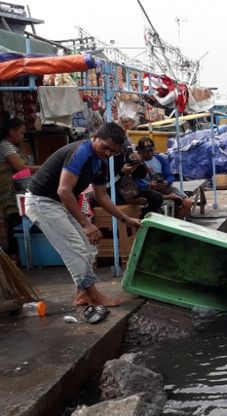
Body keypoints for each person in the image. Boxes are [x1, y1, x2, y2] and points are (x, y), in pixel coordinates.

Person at [25, 123, 141, 307]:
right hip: (42, 202)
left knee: (88, 245)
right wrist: (86, 224)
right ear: (95, 137)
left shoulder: (100, 162)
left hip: (58, 204)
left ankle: (82, 294)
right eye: (105, 147)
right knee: (76, 246)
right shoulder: (81, 152)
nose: (108, 153)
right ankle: (93, 294)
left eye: (113, 152)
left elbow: (102, 196)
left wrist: (126, 220)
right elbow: (64, 191)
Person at [0, 117, 40, 258]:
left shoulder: (13, 147)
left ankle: (17, 253)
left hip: (15, 188)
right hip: (9, 189)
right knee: (14, 219)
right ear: (11, 131)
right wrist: (43, 168)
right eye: (21, 133)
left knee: (17, 218)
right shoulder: (5, 145)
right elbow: (19, 167)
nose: (22, 136)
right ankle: (15, 254)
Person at [136, 137, 193, 219]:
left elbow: (169, 175)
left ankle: (176, 222)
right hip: (148, 192)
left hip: (164, 188)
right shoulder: (137, 163)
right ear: (140, 151)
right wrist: (149, 186)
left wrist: (167, 182)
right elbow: (135, 182)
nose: (149, 153)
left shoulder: (159, 159)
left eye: (151, 150)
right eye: (146, 151)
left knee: (188, 202)